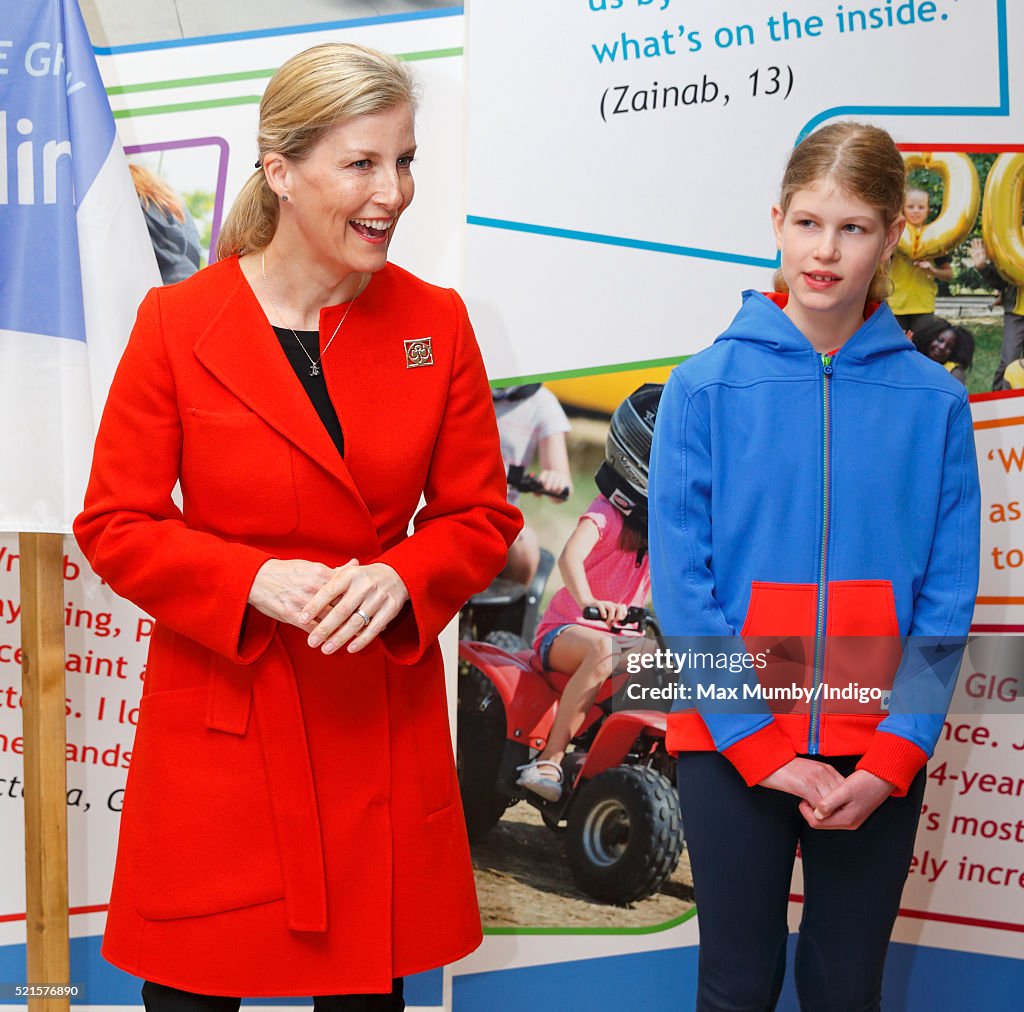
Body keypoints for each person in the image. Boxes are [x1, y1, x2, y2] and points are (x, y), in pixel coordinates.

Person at [74, 43, 521, 1012]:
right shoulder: (175, 325)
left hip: (376, 733)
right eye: (362, 163)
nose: (393, 191)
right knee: (193, 997)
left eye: (404, 161)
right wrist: (248, 582)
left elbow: (480, 515)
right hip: (222, 737)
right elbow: (116, 523)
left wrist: (405, 575)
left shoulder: (435, 325)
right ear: (279, 170)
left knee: (364, 996)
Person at [649, 123, 980, 1010]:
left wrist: (893, 758)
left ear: (893, 236)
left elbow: (947, 603)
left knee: (844, 988)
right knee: (736, 985)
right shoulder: (703, 387)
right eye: (807, 223)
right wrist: (760, 747)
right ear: (777, 223)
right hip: (731, 747)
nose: (824, 252)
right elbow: (687, 592)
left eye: (853, 228)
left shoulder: (939, 403)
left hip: (877, 750)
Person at [518, 385, 660, 802]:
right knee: (601, 649)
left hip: (617, 638)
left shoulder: (665, 532)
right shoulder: (607, 512)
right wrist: (588, 604)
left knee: (679, 658)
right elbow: (569, 558)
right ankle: (550, 757)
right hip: (567, 631)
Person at [492, 383, 572, 584]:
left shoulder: (542, 404)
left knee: (525, 545)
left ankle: (509, 612)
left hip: (499, 511)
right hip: (450, 497)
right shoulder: (464, 383)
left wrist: (555, 479)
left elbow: (562, 485)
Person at [887, 185, 953, 336]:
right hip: (897, 303)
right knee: (898, 350)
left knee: (923, 350)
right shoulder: (894, 234)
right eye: (911, 207)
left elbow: (949, 275)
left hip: (924, 304)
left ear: (928, 210)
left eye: (921, 207)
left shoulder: (935, 238)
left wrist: (932, 270)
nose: (916, 210)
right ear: (903, 209)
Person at [129, 163, 202, 284]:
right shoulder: (176, 208)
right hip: (190, 281)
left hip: (158, 288)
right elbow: (194, 251)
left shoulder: (135, 209)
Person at [969, 237, 1024, 390]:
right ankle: (997, 405)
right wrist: (982, 267)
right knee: (1008, 362)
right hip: (1017, 312)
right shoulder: (1015, 236)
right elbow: (1002, 281)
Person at [911, 316, 974, 386]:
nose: (942, 347)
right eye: (940, 340)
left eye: (949, 347)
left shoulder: (954, 372)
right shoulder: (914, 359)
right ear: (930, 338)